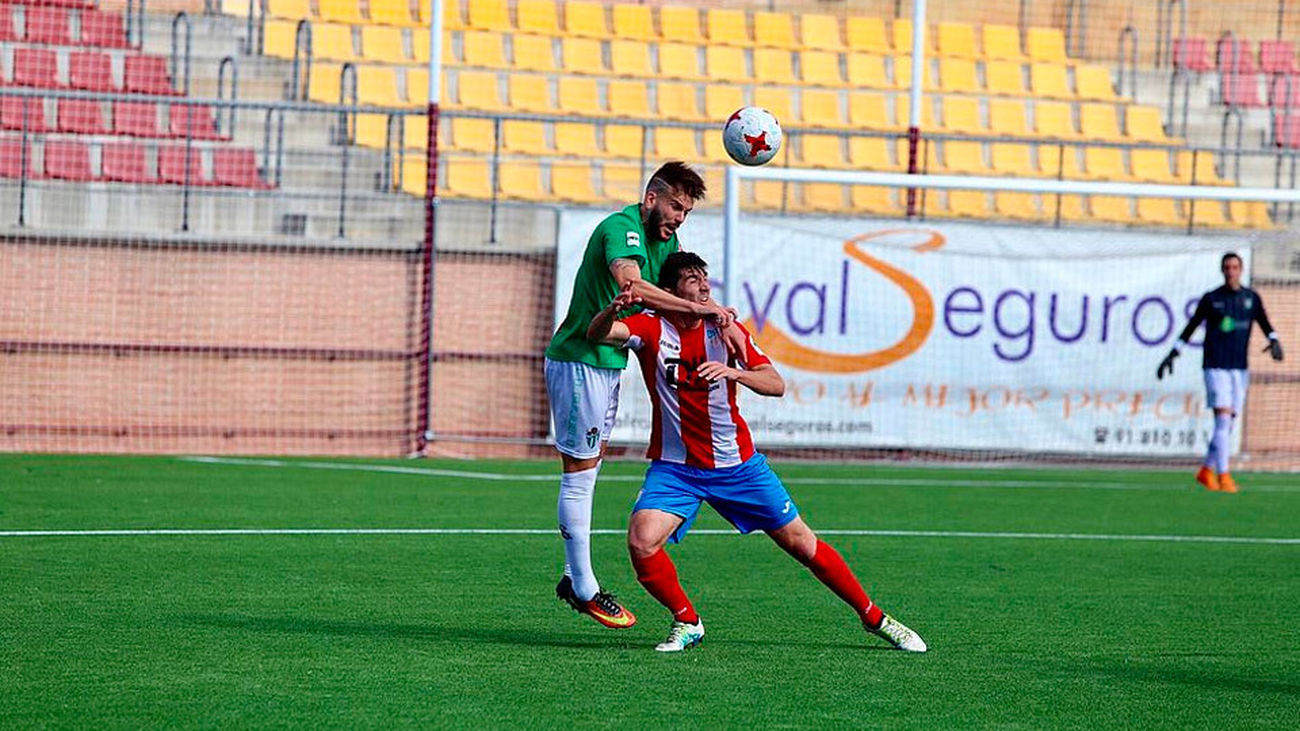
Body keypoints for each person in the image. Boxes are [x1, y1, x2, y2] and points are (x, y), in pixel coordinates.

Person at [587, 252, 928, 653]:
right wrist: (611, 309)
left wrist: (735, 373)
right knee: (641, 540)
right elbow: (598, 335)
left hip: (738, 467)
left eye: (705, 278)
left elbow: (776, 383)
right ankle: (687, 621)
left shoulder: (726, 330)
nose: (704, 286)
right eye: (692, 279)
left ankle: (876, 618)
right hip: (676, 469)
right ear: (669, 291)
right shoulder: (651, 327)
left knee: (802, 544)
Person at [545, 162, 744, 629]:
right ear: (652, 197)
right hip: (582, 359)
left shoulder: (667, 243)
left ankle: (577, 578)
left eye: (687, 211)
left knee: (591, 464)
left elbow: (664, 306)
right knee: (580, 472)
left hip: (607, 361)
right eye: (675, 205)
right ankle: (583, 585)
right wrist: (700, 308)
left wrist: (713, 319)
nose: (679, 217)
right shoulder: (623, 228)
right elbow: (631, 285)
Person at [1157, 252, 1283, 493]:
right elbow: (1191, 326)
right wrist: (1173, 353)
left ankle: (1206, 470)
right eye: (1227, 267)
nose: (1231, 271)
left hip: (1239, 368)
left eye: (1235, 267)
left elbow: (1264, 322)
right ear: (1222, 270)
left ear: (1241, 269)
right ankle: (1224, 476)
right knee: (1223, 419)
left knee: (1228, 425)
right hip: (1215, 366)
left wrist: (1274, 340)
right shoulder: (1212, 299)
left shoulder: (1251, 298)